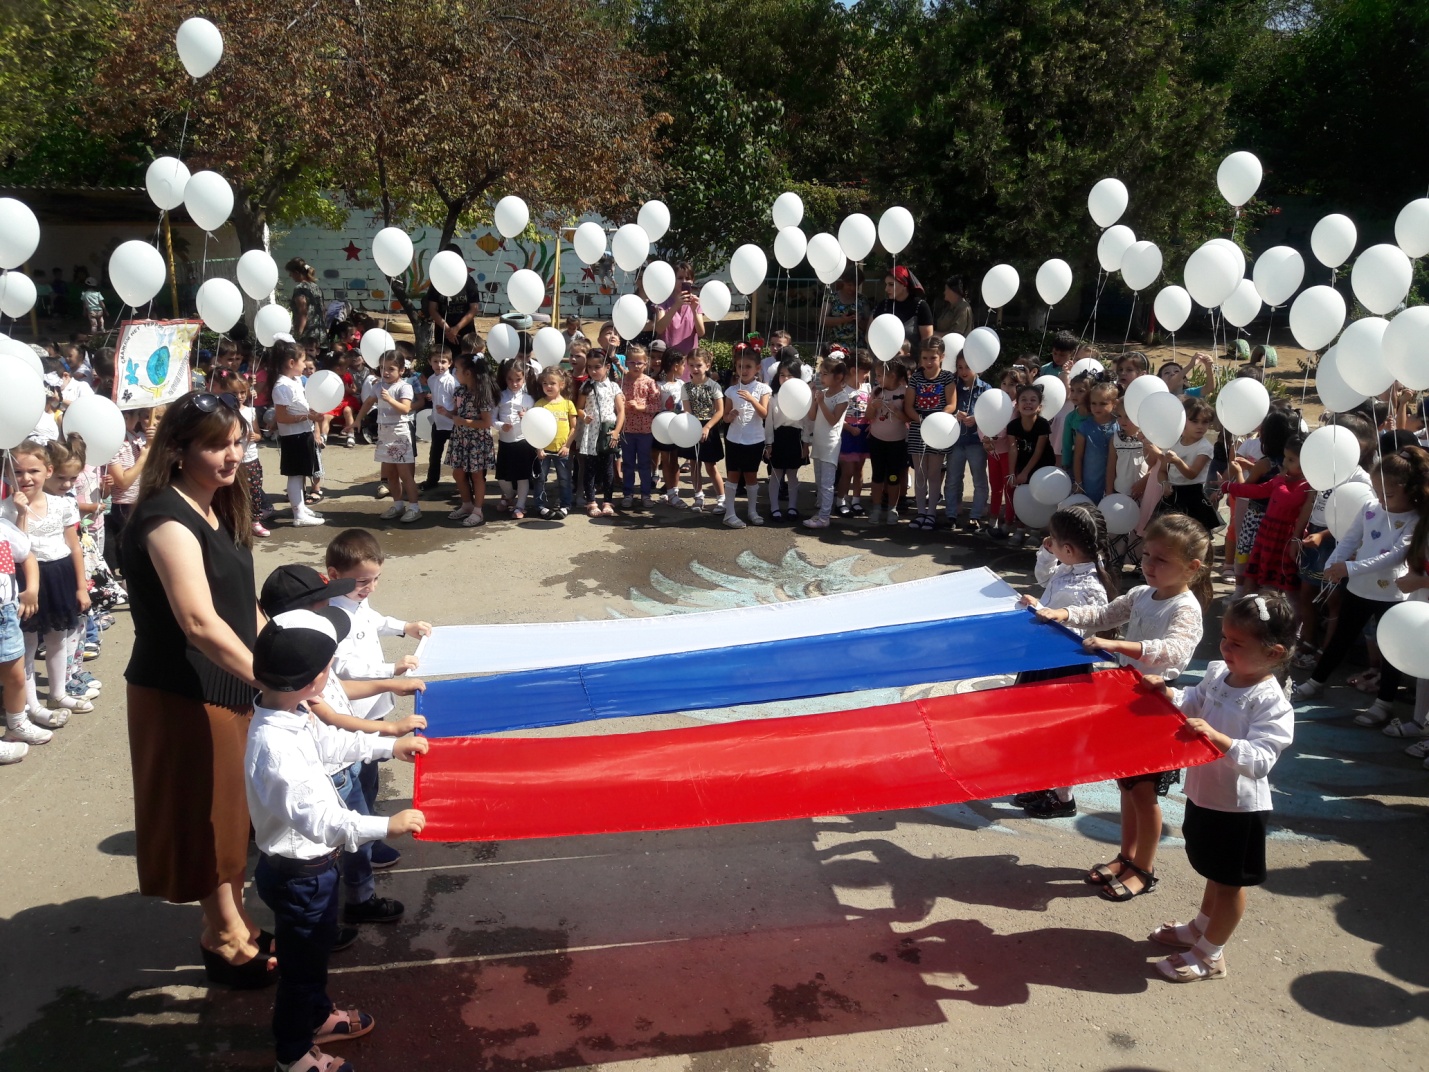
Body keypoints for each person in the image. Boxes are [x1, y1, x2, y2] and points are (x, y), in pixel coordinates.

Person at [121, 392, 271, 987]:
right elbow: (199, 622)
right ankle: (224, 935)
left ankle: (236, 920)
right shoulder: (165, 517)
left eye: (236, 441)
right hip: (183, 690)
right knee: (206, 817)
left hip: (231, 683)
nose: (231, 455)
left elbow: (243, 603)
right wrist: (272, 680)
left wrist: (286, 659)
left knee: (234, 818)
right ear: (178, 450)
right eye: (215, 445)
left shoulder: (220, 506)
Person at [246, 607, 428, 1072]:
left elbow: (333, 746)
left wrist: (389, 746)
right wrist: (385, 825)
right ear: (312, 680)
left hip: (313, 871)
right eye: (329, 666)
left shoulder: (290, 711)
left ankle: (317, 1015)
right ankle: (293, 1054)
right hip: (300, 875)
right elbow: (323, 822)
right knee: (301, 970)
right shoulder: (275, 748)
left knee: (314, 955)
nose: (332, 673)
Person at [1034, 513, 1212, 900]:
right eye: (1146, 555)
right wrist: (1063, 613)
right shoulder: (1142, 594)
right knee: (1126, 785)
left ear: (1191, 567)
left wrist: (1117, 645)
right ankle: (1126, 857)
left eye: (1161, 559)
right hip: (1127, 698)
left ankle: (1144, 869)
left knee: (1144, 793)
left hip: (1158, 705)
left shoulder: (1185, 608)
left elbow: (1174, 650)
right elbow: (1104, 614)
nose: (1149, 564)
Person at [1144, 593, 1296, 983]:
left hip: (1239, 809)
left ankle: (1211, 955)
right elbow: (1195, 700)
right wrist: (1170, 694)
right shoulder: (1218, 673)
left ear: (1273, 653)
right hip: (1206, 794)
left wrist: (1219, 739)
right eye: (1224, 638)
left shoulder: (1270, 702)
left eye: (1237, 644)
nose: (1225, 648)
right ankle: (1200, 928)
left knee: (1229, 885)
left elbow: (1261, 760)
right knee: (1214, 872)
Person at [1291, 447, 1429, 725]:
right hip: (1359, 588)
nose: (1381, 499)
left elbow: (1394, 556)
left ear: (1411, 490)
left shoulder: (1415, 519)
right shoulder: (1370, 508)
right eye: (1377, 492)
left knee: (1390, 651)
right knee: (1341, 638)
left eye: (1388, 494)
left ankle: (1383, 703)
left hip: (1392, 595)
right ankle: (1316, 682)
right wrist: (1334, 562)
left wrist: (1349, 568)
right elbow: (1349, 539)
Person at [325, 529, 432, 879]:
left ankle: (367, 831)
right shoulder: (332, 614)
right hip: (353, 719)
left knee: (369, 780)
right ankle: (361, 845)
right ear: (334, 574)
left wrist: (404, 627)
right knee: (353, 783)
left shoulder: (356, 600)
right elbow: (342, 667)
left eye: (375, 579)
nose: (370, 588)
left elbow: (374, 620)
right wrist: (391, 669)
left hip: (376, 709)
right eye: (362, 581)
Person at [1013, 502, 1117, 818]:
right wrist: (1047, 555)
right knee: (1036, 727)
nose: (1049, 542)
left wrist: (1045, 613)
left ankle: (1063, 796)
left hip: (1064, 669)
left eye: (1054, 541)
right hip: (1042, 661)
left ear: (1069, 549)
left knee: (1060, 733)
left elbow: (1084, 627)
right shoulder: (1067, 568)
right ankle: (1041, 782)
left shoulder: (1090, 587)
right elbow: (1044, 578)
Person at [3, 439, 89, 724]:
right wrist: (21, 513)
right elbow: (19, 549)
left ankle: (58, 693)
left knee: (58, 638)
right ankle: (30, 706)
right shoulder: (5, 510)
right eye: (18, 472)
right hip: (27, 581)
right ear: (7, 474)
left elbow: (74, 545)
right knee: (27, 644)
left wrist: (81, 586)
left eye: (33, 471)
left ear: (48, 471)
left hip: (59, 574)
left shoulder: (62, 504)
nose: (26, 478)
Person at [1220, 432, 1310, 596]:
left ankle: (1273, 607)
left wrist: (1280, 480)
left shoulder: (1306, 485)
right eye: (1285, 457)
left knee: (1279, 581)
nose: (1284, 463)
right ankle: (1247, 602)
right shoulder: (1281, 479)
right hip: (1267, 532)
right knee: (1253, 574)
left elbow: (1287, 500)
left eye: (1291, 460)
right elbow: (1258, 490)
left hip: (1285, 537)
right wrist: (1229, 487)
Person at [358, 353, 419, 523]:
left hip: (399, 433)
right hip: (384, 433)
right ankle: (398, 505)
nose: (385, 372)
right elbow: (368, 403)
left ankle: (414, 507)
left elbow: (405, 409)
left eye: (391, 369)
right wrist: (358, 419)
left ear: (401, 370)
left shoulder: (404, 387)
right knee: (390, 474)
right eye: (382, 368)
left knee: (405, 474)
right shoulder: (378, 386)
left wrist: (389, 399)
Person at [902, 336, 956, 532]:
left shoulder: (947, 377)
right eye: (925, 358)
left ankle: (931, 513)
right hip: (918, 430)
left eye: (933, 358)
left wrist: (937, 420)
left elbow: (951, 404)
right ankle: (921, 513)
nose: (929, 362)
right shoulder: (916, 378)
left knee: (934, 474)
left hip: (939, 431)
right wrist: (921, 420)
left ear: (941, 357)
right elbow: (908, 406)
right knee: (920, 473)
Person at [271, 341, 326, 528]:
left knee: (301, 473)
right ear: (291, 363)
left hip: (303, 433)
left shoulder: (295, 381)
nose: (305, 365)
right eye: (303, 361)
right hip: (293, 437)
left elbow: (300, 405)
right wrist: (308, 416)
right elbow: (282, 417)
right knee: (295, 476)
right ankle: (299, 515)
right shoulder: (282, 386)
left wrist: (312, 413)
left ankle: (301, 507)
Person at [0, 496, 38, 763]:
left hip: (5, 611)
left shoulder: (3, 527)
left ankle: (16, 724)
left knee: (15, 674)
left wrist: (22, 514)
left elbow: (23, 550)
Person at [722, 348, 772, 529]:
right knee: (733, 475)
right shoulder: (731, 390)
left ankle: (752, 511)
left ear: (757, 368)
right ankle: (729, 513)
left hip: (755, 439)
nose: (743, 370)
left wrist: (752, 399)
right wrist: (730, 416)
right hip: (734, 438)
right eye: (740, 366)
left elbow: (764, 414)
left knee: (751, 475)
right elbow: (725, 417)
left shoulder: (763, 389)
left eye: (748, 366)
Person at [444, 354, 495, 527]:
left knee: (477, 475)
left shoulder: (482, 395)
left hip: (477, 441)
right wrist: (446, 413)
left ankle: (478, 511)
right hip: (460, 439)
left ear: (468, 373)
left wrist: (464, 422)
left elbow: (486, 423)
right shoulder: (460, 391)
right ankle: (467, 504)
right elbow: (457, 413)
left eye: (457, 369)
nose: (455, 372)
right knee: (457, 473)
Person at [1155, 397, 1220, 532]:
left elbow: (1192, 474)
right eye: (1194, 421)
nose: (1200, 426)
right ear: (1183, 420)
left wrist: (1178, 461)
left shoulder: (1204, 447)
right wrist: (1164, 483)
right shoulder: (1173, 442)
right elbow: (1162, 471)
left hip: (1193, 496)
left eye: (1205, 422)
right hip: (1172, 496)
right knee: (1169, 535)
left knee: (1192, 535)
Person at [803, 355, 852, 530]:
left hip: (830, 444)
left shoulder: (842, 397)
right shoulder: (823, 394)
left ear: (838, 377)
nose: (821, 377)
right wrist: (813, 399)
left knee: (827, 483)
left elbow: (833, 420)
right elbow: (812, 416)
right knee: (819, 481)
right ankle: (821, 511)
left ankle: (824, 517)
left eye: (825, 374)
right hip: (818, 442)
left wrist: (822, 402)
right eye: (821, 373)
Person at [944, 352, 991, 532]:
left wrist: (977, 419)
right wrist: (955, 415)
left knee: (979, 480)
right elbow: (946, 409)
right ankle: (951, 514)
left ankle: (975, 515)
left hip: (976, 442)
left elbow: (992, 414)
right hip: (956, 441)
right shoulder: (953, 386)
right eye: (960, 367)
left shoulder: (985, 389)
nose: (963, 371)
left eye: (968, 367)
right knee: (953, 479)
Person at [577, 352, 623, 518]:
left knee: (608, 468)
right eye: (590, 367)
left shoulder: (614, 387)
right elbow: (579, 408)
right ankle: (591, 501)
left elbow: (621, 411)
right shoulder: (586, 386)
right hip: (591, 433)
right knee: (590, 468)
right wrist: (584, 416)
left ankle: (608, 501)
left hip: (608, 432)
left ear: (607, 367)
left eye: (597, 367)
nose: (593, 371)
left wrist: (616, 431)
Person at [764, 356, 810, 521]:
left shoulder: (803, 395)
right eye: (782, 375)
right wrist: (768, 443)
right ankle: (774, 508)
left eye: (790, 375)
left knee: (792, 474)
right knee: (776, 474)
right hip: (778, 437)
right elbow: (769, 422)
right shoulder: (773, 397)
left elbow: (806, 422)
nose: (786, 379)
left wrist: (806, 443)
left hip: (795, 438)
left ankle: (792, 507)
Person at [1005, 383, 1052, 546]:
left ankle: (1035, 532)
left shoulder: (1043, 424)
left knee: (1037, 497)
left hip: (1042, 465)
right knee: (1021, 496)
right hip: (1022, 462)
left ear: (1039, 406)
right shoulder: (1013, 425)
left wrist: (1025, 472)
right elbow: (1013, 449)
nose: (1028, 403)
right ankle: (1019, 530)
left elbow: (1039, 451)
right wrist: (1012, 472)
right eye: (1023, 399)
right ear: (1017, 404)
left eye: (1033, 400)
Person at [985, 366, 1030, 539]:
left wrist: (994, 436)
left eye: (1012, 384)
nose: (1006, 387)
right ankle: (993, 519)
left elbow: (1008, 429)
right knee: (995, 487)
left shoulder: (1018, 408)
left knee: (1009, 488)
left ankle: (1008, 522)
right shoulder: (994, 403)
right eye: (1004, 383)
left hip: (1009, 455)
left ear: (1021, 387)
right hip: (992, 453)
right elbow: (983, 420)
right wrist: (985, 439)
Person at [680, 347, 725, 513]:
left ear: (707, 365)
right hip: (693, 426)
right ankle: (698, 497)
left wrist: (707, 426)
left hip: (709, 427)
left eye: (699, 365)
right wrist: (692, 427)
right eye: (691, 365)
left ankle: (721, 499)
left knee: (710, 466)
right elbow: (687, 410)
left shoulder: (714, 386)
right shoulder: (686, 387)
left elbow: (719, 411)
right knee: (694, 464)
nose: (695, 369)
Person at [533, 367, 578, 520]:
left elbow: (574, 428)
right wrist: (538, 448)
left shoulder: (568, 404)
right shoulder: (539, 404)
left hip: (562, 451)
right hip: (543, 450)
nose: (548, 386)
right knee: (540, 479)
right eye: (545, 383)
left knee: (564, 479)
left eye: (552, 383)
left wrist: (567, 446)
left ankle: (565, 505)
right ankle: (540, 506)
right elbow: (534, 428)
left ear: (562, 385)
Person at [495, 360, 538, 519]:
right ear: (505, 378)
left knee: (522, 476)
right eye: (510, 379)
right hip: (505, 442)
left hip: (522, 442)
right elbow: (492, 418)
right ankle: (509, 495)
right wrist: (501, 425)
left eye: (518, 379)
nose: (514, 383)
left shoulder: (529, 399)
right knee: (502, 478)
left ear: (524, 378)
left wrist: (527, 417)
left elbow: (536, 422)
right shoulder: (500, 397)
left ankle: (520, 505)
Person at [867, 359, 909, 525]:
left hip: (897, 442)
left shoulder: (905, 392)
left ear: (892, 376)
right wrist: (873, 406)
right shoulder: (876, 391)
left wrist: (898, 412)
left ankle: (892, 508)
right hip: (877, 440)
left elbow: (908, 418)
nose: (877, 378)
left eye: (879, 375)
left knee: (893, 476)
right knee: (877, 475)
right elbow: (868, 416)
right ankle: (876, 508)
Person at [619, 344, 660, 509]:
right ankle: (627, 494)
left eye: (639, 363)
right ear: (626, 363)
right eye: (632, 362)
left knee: (644, 463)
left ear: (645, 363)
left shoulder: (650, 382)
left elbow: (656, 406)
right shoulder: (621, 382)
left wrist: (640, 407)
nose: (636, 366)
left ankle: (645, 494)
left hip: (645, 431)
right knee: (628, 464)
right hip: (626, 430)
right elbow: (615, 404)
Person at [425, 244, 481, 347]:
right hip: (443, 332)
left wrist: (457, 328)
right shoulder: (437, 281)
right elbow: (432, 309)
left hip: (465, 331)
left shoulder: (468, 281)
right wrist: (448, 329)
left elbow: (473, 309)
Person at [1073, 381, 1118, 503]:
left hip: (1115, 483)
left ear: (1114, 404)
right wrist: (1078, 482)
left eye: (1103, 404)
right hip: (1090, 482)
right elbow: (1078, 457)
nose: (1097, 408)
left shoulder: (1119, 427)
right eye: (1094, 403)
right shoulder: (1085, 427)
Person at [654, 349, 687, 507]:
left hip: (678, 427)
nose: (684, 368)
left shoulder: (682, 384)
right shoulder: (659, 386)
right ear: (675, 366)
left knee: (675, 460)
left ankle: (674, 491)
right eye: (683, 365)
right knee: (666, 460)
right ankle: (671, 492)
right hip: (663, 428)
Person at [873, 266, 935, 351]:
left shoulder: (920, 306)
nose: (886, 289)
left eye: (891, 284)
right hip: (885, 357)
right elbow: (870, 334)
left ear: (904, 285)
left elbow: (927, 342)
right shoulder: (884, 305)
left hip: (913, 358)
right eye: (886, 284)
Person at [422, 349, 457, 492]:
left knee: (456, 455)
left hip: (453, 424)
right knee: (435, 454)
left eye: (443, 362)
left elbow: (458, 402)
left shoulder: (452, 382)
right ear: (430, 362)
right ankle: (432, 480)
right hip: (438, 423)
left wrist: (449, 413)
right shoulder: (431, 379)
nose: (439, 365)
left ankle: (463, 482)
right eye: (435, 361)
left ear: (450, 363)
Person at [653, 263, 706, 356]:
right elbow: (659, 329)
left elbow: (701, 333)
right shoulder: (663, 302)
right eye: (680, 278)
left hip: (689, 358)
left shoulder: (695, 302)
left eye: (688, 278)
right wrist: (676, 305)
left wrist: (694, 311)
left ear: (692, 281)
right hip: (668, 357)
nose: (684, 281)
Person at [285, 258, 325, 346]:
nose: (290, 276)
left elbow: (302, 313)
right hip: (320, 334)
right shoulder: (317, 287)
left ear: (296, 272)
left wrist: (297, 336)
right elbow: (323, 310)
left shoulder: (300, 289)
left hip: (307, 336)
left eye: (291, 273)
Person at [826, 272, 868, 350]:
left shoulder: (862, 299)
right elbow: (822, 320)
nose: (852, 288)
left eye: (855, 285)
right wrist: (841, 320)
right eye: (849, 285)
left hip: (857, 347)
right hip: (836, 345)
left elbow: (869, 325)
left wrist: (859, 321)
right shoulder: (832, 298)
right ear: (843, 282)